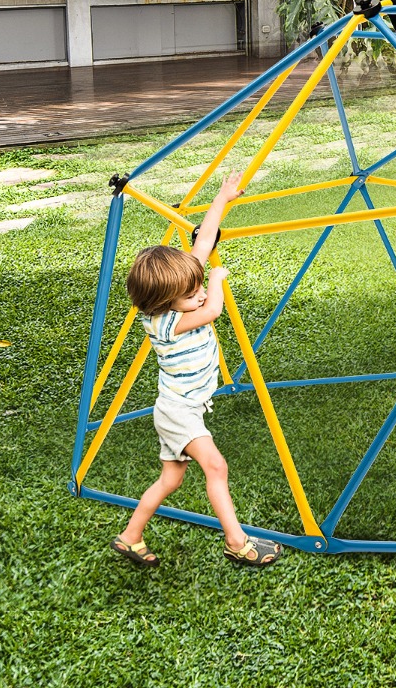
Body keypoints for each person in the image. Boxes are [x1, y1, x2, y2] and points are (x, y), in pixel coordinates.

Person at [109, 171, 281, 568]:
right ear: (164, 299)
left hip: (180, 406)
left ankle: (130, 537)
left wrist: (222, 198)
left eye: (199, 283)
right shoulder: (162, 322)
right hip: (178, 412)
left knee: (171, 480)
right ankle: (237, 542)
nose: (199, 290)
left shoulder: (179, 290)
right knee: (216, 466)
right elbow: (213, 310)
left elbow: (202, 243)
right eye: (192, 292)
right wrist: (217, 281)